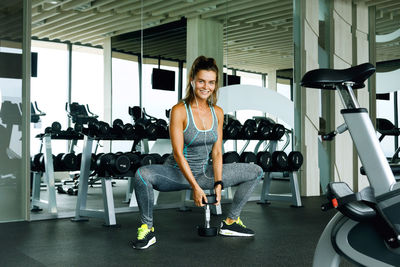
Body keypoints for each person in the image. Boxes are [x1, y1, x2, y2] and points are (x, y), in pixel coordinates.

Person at [131, 56, 264, 249]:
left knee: (256, 171)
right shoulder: (179, 111)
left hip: (203, 173)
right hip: (176, 174)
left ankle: (231, 222)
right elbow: (178, 153)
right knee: (142, 175)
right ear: (192, 80)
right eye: (201, 81)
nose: (206, 87)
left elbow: (217, 152)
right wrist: (195, 187)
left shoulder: (217, 112)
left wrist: (218, 183)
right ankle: (147, 229)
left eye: (211, 82)